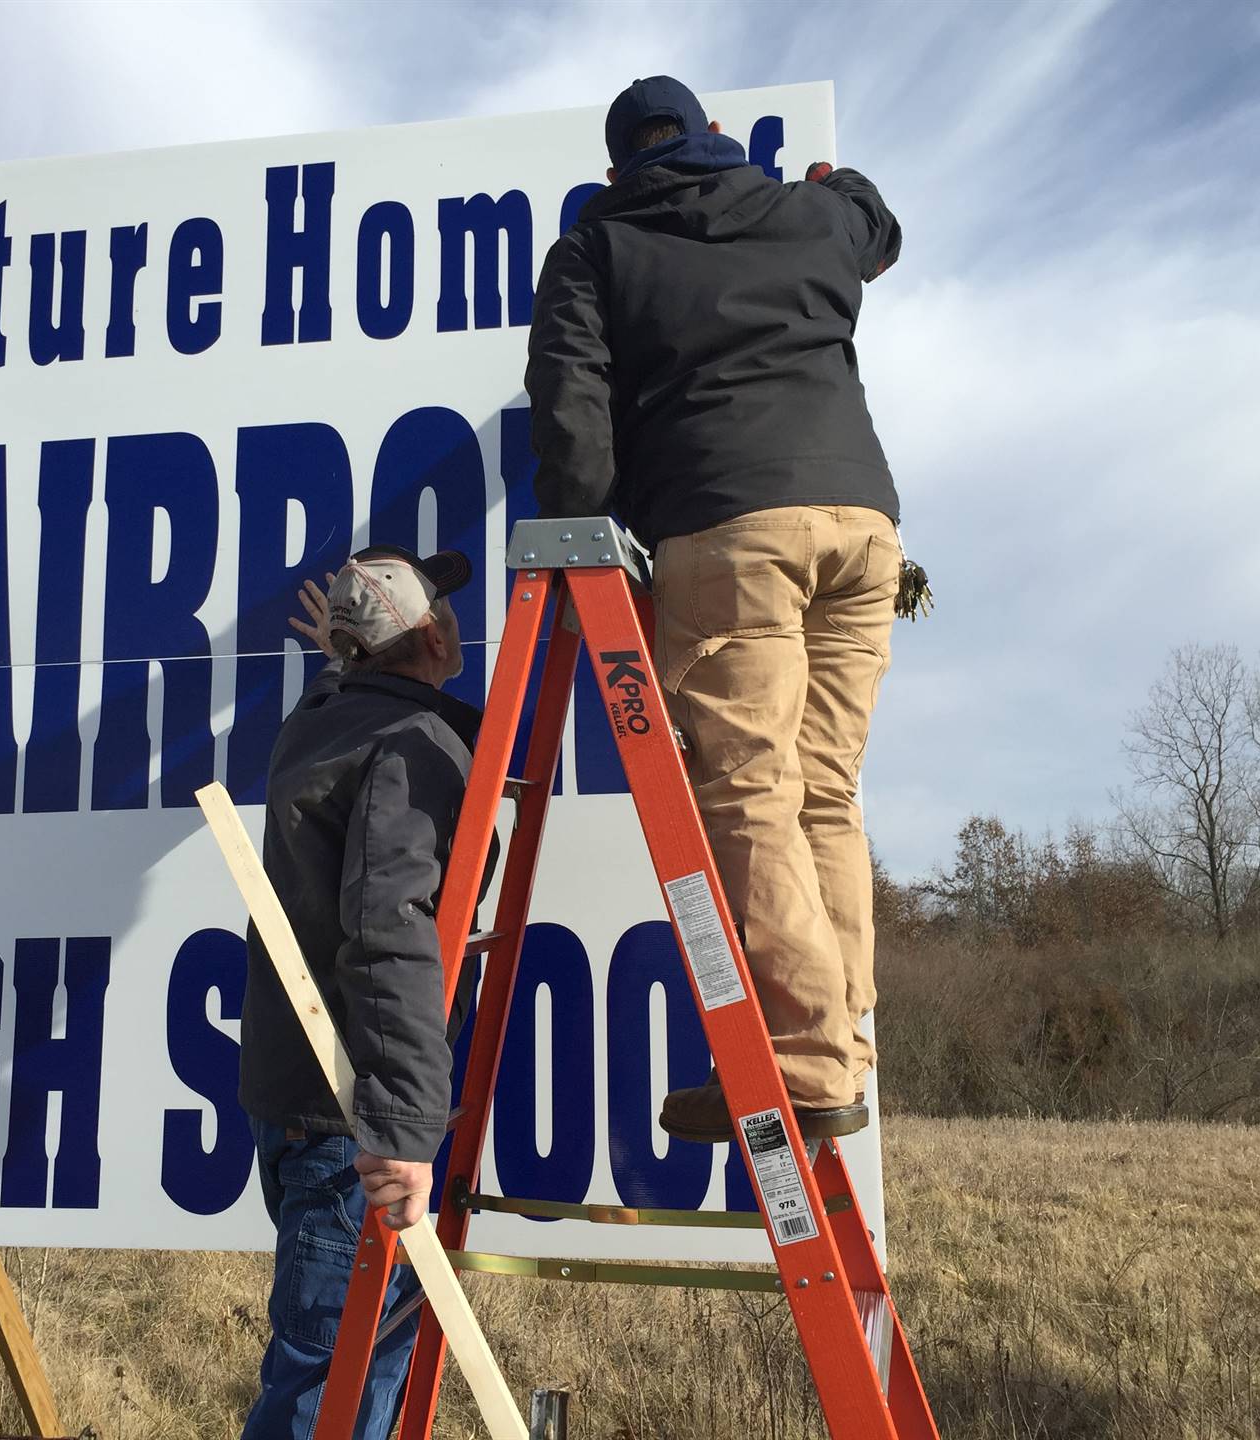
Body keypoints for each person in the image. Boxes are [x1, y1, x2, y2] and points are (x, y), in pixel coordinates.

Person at [525, 75, 908, 1143]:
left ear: (615, 171)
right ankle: (842, 1049)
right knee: (823, 795)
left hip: (728, 525)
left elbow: (571, 406)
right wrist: (837, 184)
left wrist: (582, 530)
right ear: (713, 139)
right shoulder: (803, 211)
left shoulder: (596, 247)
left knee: (746, 796)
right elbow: (877, 222)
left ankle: (801, 1060)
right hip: (864, 528)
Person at [238, 544, 479, 1439]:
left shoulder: (319, 723)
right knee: (326, 1389)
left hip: (306, 1105)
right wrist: (406, 1133)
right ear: (436, 636)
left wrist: (346, 660)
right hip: (356, 1120)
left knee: (344, 1370)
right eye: (445, 609)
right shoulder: (410, 745)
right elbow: (389, 940)